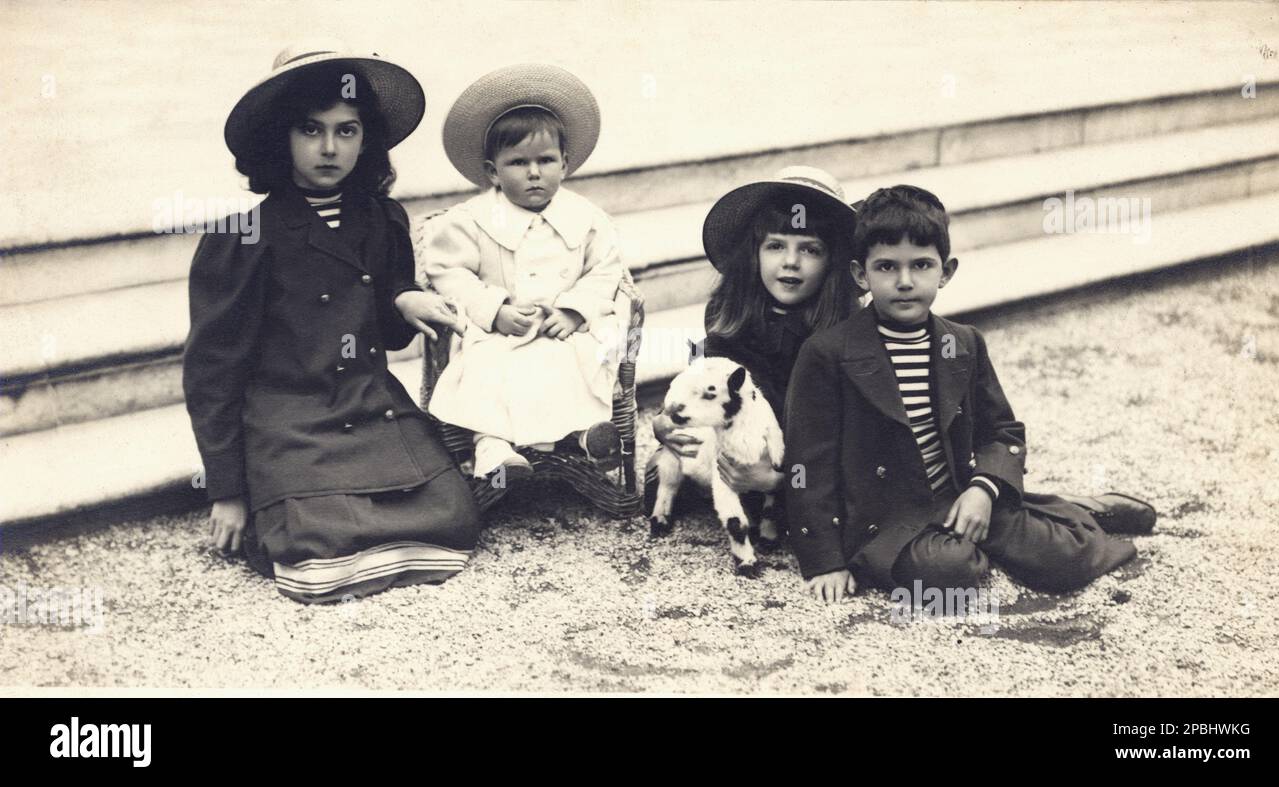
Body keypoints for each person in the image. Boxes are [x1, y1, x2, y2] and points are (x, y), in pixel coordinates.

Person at [184, 40, 478, 604]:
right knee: (310, 541)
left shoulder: (383, 218)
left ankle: (357, 544)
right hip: (288, 415)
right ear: (281, 137)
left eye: (347, 130)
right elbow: (212, 373)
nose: (329, 148)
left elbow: (388, 332)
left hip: (367, 400)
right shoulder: (239, 238)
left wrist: (403, 299)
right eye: (311, 130)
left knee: (454, 516)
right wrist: (227, 491)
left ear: (365, 139)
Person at [784, 185, 1153, 603]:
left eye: (921, 265)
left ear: (946, 271)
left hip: (957, 493)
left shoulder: (962, 342)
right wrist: (824, 560)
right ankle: (1020, 526)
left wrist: (983, 489)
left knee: (1066, 559)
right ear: (860, 275)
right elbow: (806, 465)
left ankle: (1078, 513)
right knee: (945, 574)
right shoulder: (829, 352)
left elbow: (1003, 431)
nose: (905, 282)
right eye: (886, 267)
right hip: (886, 517)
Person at [413, 64, 624, 480]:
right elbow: (448, 272)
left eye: (546, 160)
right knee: (488, 370)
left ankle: (581, 437)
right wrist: (493, 309)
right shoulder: (471, 220)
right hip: (500, 331)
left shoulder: (587, 218)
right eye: (518, 162)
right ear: (493, 171)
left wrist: (575, 311)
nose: (534, 173)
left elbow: (606, 269)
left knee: (575, 363)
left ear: (565, 164)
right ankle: (493, 448)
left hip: (560, 328)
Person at [642, 166, 859, 545]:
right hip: (742, 439)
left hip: (805, 458)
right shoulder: (732, 316)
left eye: (809, 249)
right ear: (754, 253)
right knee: (673, 462)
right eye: (776, 246)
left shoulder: (843, 334)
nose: (790, 262)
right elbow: (706, 380)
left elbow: (845, 436)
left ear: (833, 262)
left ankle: (777, 499)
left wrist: (777, 478)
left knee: (839, 502)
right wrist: (667, 421)